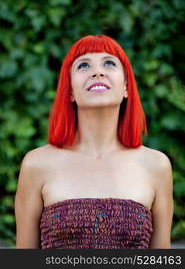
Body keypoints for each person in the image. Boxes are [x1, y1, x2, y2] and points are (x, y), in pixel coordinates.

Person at [15, 34, 173, 249]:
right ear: (69, 90)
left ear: (126, 86)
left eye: (109, 63)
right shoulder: (37, 164)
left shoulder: (156, 165)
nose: (97, 72)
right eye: (83, 65)